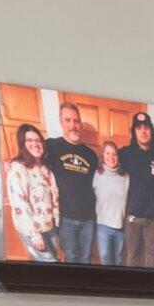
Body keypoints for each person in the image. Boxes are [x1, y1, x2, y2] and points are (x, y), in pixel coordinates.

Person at [42, 100, 101, 267]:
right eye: (68, 120)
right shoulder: (51, 146)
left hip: (88, 218)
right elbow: (33, 158)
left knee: (86, 257)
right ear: (61, 122)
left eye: (76, 121)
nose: (73, 125)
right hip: (65, 217)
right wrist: (15, 161)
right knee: (70, 256)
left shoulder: (91, 154)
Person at [0, 122, 58, 261]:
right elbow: (19, 204)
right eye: (29, 140)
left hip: (49, 226)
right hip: (33, 230)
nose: (35, 144)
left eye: (38, 140)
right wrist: (34, 235)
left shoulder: (45, 169)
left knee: (54, 261)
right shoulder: (18, 169)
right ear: (22, 144)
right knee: (49, 263)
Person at [119, 111, 154, 267]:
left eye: (146, 127)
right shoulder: (125, 153)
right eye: (139, 128)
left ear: (151, 130)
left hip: (153, 216)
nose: (143, 131)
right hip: (132, 216)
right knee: (132, 255)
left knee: (152, 257)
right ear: (134, 132)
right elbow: (108, 163)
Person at [90, 139, 129, 264]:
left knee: (118, 258)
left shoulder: (125, 177)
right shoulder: (96, 175)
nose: (111, 157)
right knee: (105, 257)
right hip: (103, 225)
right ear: (102, 155)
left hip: (120, 226)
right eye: (107, 153)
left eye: (114, 154)